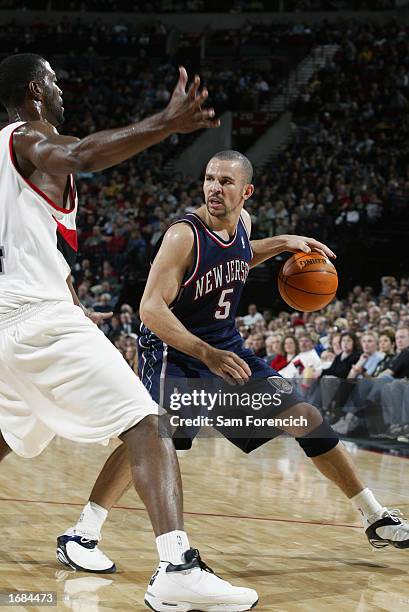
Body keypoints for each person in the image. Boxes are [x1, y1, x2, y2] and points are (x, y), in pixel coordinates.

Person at [63, 150, 409, 572]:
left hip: (228, 349)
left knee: (305, 415)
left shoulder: (243, 225)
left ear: (246, 191)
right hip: (178, 354)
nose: (214, 188)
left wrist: (282, 243)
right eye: (209, 178)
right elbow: (150, 309)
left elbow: (239, 254)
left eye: (225, 181)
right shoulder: (183, 235)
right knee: (154, 437)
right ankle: (83, 532)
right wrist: (206, 354)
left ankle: (374, 515)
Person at [0, 54, 258, 612]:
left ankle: (91, 534)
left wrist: (66, 293)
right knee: (148, 423)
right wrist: (162, 123)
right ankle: (175, 566)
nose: (60, 87)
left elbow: (27, 240)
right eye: (53, 80)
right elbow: (79, 154)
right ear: (33, 91)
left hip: (11, 323)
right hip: (36, 318)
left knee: (8, 434)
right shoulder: (28, 136)